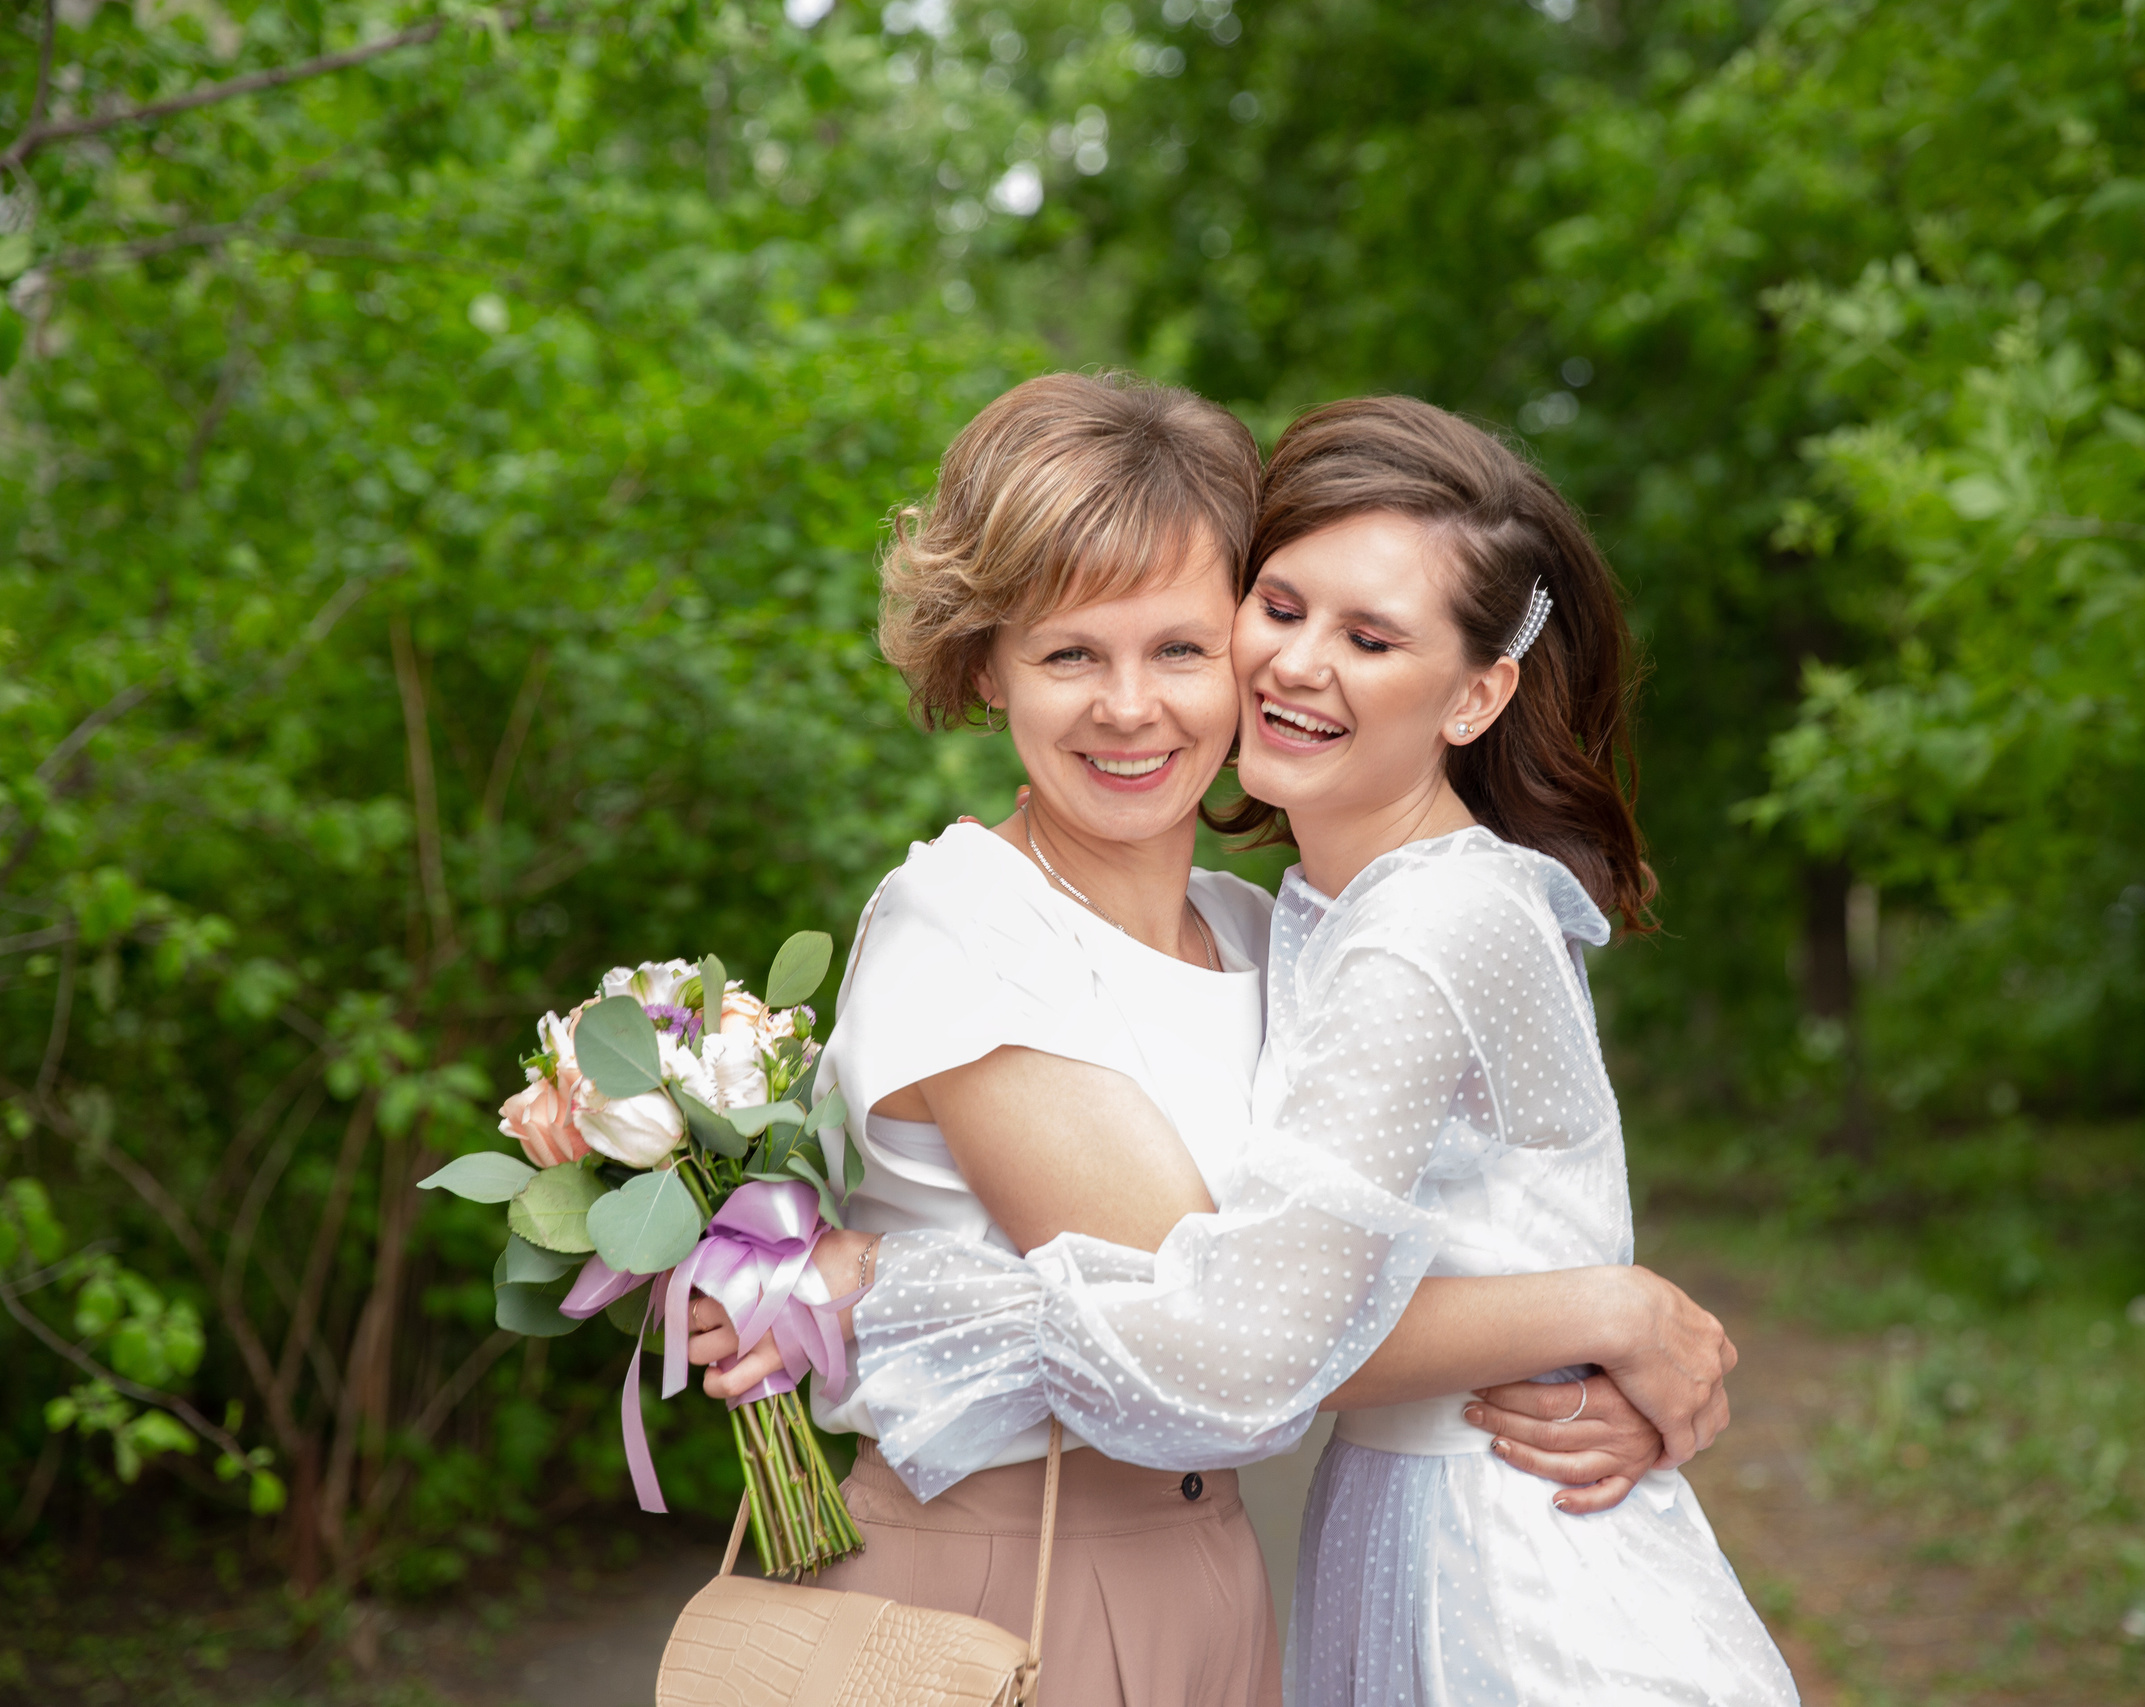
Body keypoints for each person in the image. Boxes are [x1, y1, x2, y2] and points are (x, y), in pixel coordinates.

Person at [682, 374, 1710, 1707]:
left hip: (1214, 1574)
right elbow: (1226, 1362)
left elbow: (1398, 1257)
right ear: (985, 663)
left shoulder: (1260, 934)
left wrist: (1587, 1366)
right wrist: (1598, 1316)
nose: (1129, 708)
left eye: (1180, 648)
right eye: (1068, 655)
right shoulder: (966, 926)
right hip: (1000, 1581)